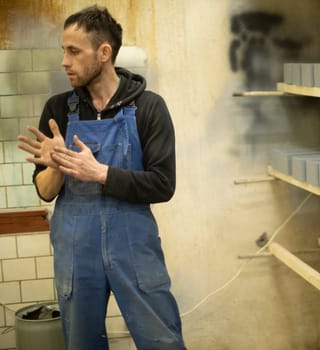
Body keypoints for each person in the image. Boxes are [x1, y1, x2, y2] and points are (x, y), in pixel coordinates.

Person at [17, 5, 185, 350]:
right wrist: (57, 166)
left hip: (134, 246)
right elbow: (46, 193)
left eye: (73, 51)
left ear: (104, 52)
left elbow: (163, 185)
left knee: (161, 340)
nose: (64, 61)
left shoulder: (150, 108)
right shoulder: (58, 109)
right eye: (64, 50)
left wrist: (101, 173)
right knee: (82, 343)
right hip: (77, 250)